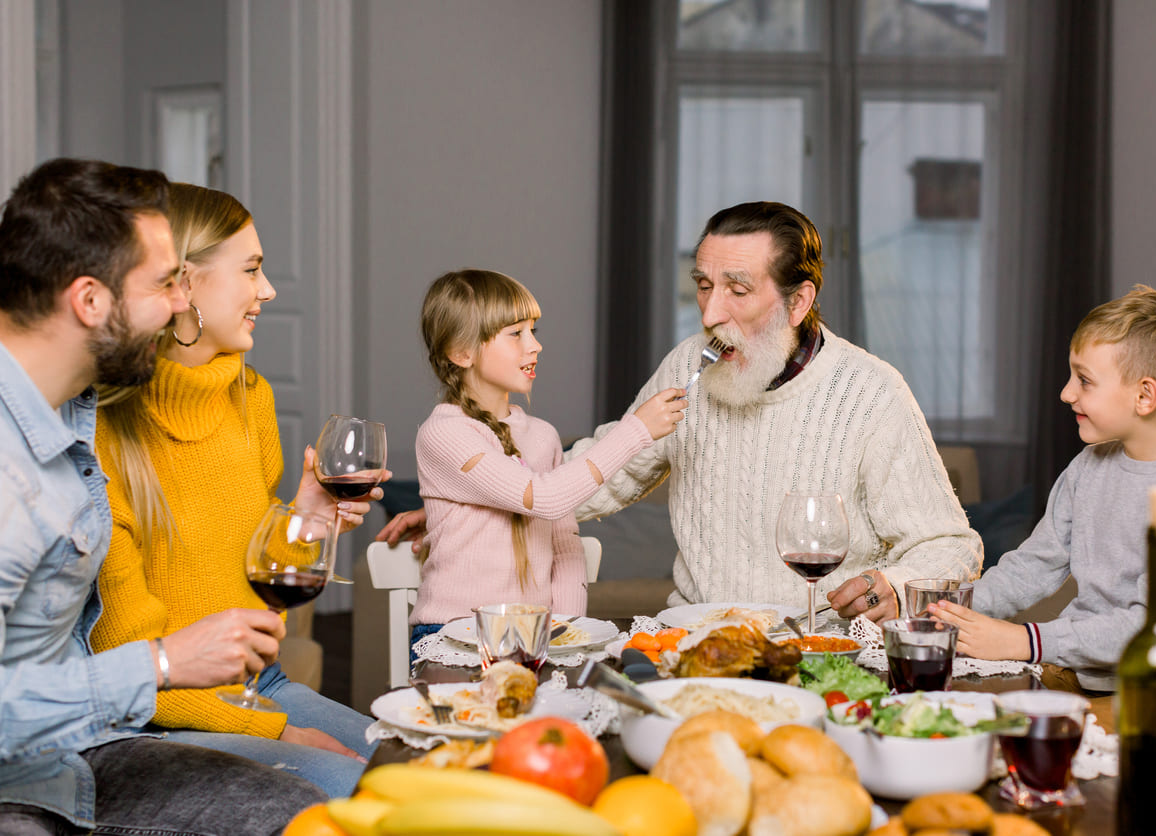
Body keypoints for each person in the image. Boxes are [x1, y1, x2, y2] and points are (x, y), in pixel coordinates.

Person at [383, 203, 981, 622]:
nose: (710, 313)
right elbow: (608, 468)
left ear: (799, 301)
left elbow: (951, 545)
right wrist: (484, 502)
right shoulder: (688, 364)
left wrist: (894, 586)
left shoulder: (872, 393)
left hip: (820, 651)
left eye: (738, 291)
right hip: (697, 644)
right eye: (702, 284)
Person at [0, 158, 325, 835]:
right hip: (25, 784)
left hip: (81, 746)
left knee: (312, 814)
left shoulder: (73, 413)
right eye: (164, 284)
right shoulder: (10, 475)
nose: (183, 306)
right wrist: (166, 661)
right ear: (91, 301)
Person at [89, 183, 380, 798]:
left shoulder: (252, 398)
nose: (268, 291)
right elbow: (127, 655)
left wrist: (304, 518)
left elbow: (258, 584)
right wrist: (278, 734)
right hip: (157, 718)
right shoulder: (103, 435)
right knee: (356, 796)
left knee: (410, 769)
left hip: (261, 683)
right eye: (251, 269)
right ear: (184, 286)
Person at [931, 286, 1156, 692]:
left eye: (1084, 380)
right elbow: (1032, 568)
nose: (1066, 393)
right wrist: (949, 610)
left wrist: (1022, 640)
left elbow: (1146, 626)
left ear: (1145, 396)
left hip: (1149, 700)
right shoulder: (1089, 466)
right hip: (1072, 673)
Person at [408, 269, 684, 642]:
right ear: (460, 352)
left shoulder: (543, 435)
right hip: (454, 633)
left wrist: (565, 632)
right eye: (515, 334)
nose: (534, 346)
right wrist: (635, 431)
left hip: (533, 636)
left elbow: (566, 549)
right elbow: (545, 498)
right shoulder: (444, 433)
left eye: (533, 331)